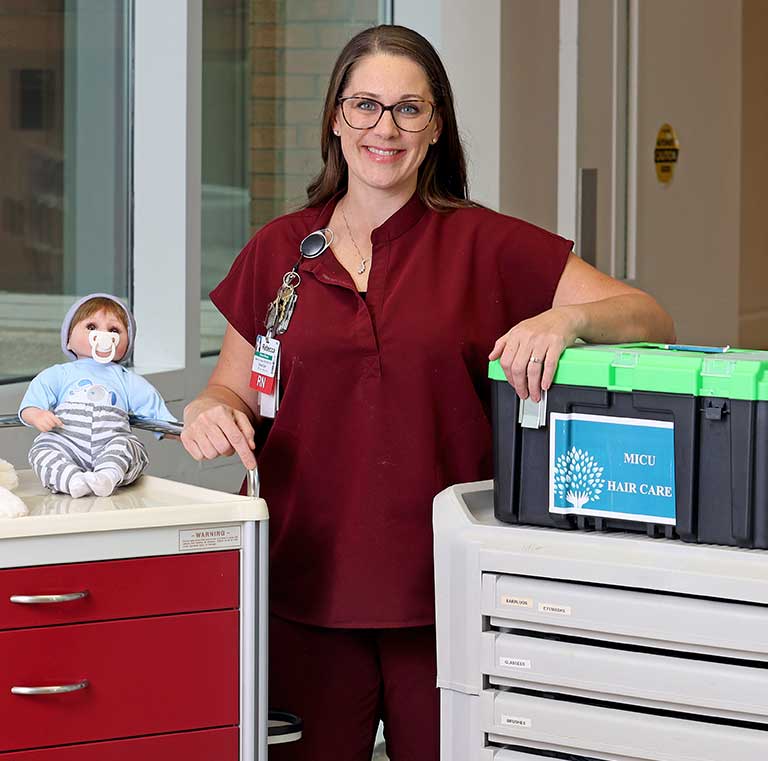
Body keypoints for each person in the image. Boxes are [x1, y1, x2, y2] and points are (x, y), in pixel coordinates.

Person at [181, 25, 675, 761]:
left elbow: (650, 318)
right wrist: (209, 407)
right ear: (336, 119)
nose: (386, 128)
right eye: (366, 106)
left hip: (451, 585)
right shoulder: (281, 250)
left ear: (437, 125)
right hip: (306, 584)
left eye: (409, 109)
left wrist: (565, 319)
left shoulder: (487, 244)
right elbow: (233, 387)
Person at [19, 293, 176, 498]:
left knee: (130, 448)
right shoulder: (59, 373)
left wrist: (182, 432)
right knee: (42, 449)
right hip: (66, 442)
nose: (103, 335)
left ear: (126, 346)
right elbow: (29, 406)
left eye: (114, 330)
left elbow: (156, 413)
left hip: (110, 443)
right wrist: (38, 416)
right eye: (92, 327)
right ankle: (71, 479)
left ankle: (108, 476)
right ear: (68, 341)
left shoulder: (127, 379)